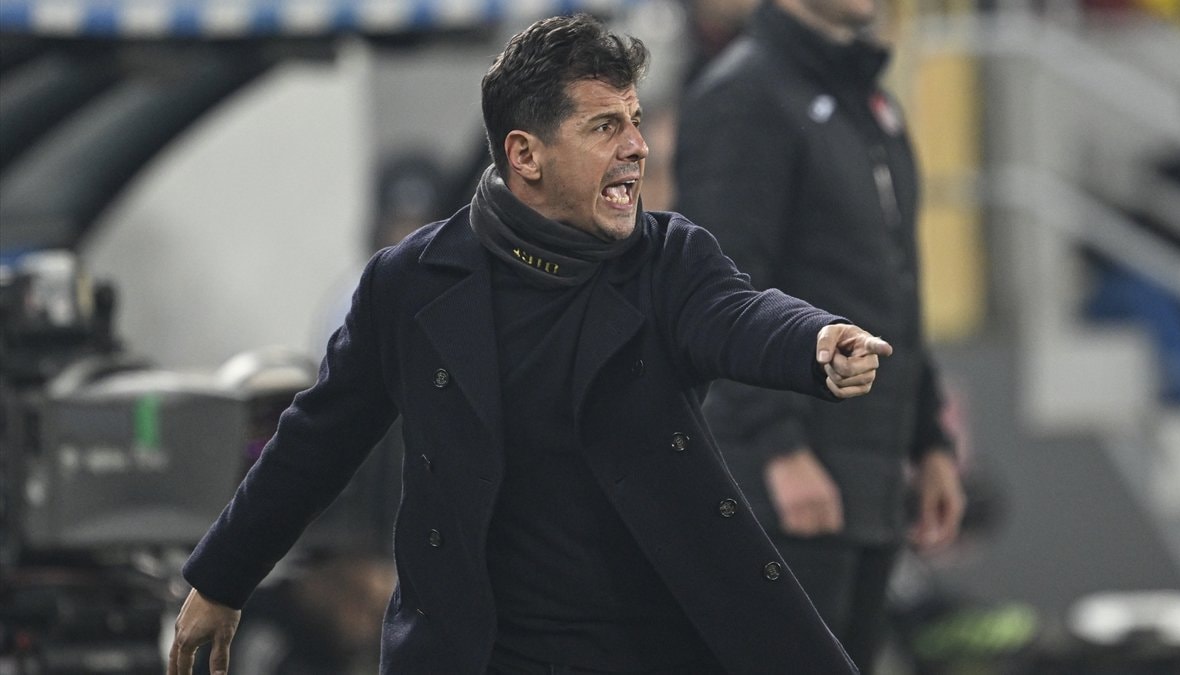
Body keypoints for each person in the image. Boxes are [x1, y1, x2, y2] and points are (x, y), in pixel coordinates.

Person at [169, 13, 895, 675]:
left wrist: (813, 341)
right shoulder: (412, 283)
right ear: (526, 154)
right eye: (605, 127)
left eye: (635, 121)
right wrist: (222, 578)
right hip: (481, 655)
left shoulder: (669, 261)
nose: (637, 147)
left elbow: (737, 316)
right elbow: (317, 439)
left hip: (652, 650)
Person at [672, 1, 967, 673]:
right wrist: (777, 450)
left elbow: (894, 289)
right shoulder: (743, 96)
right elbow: (717, 297)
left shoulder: (870, 102)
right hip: (786, 490)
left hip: (867, 485)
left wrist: (930, 441)